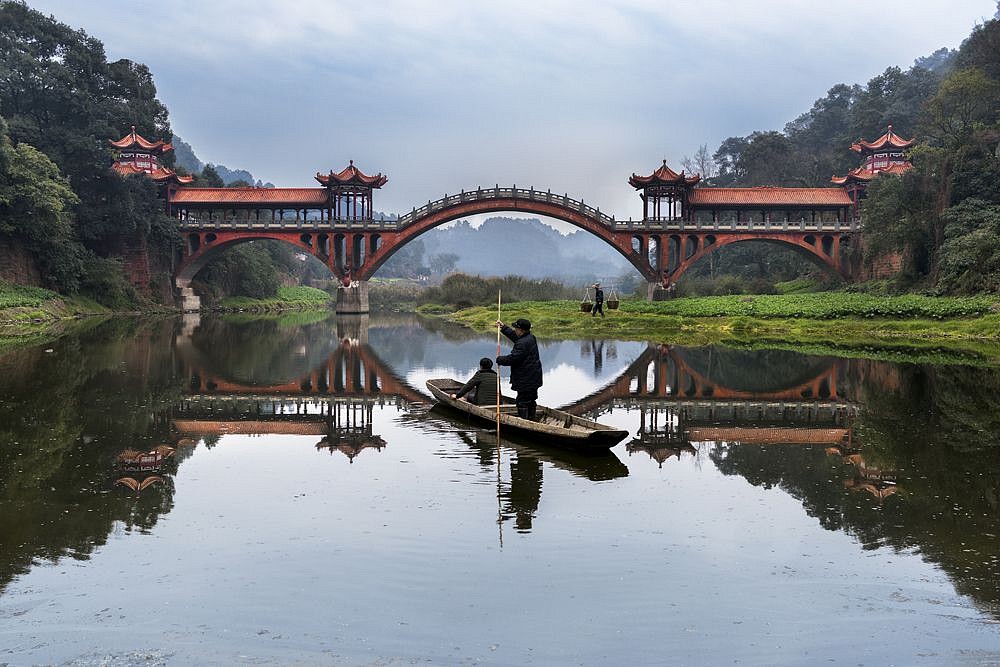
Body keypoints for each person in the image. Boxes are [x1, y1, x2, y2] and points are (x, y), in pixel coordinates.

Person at [495, 317, 543, 420]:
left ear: (521, 330)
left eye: (516, 328)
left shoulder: (522, 343)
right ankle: (531, 420)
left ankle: (525, 423)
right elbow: (516, 337)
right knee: (531, 399)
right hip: (534, 377)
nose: (515, 330)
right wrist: (503, 328)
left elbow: (513, 359)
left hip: (525, 379)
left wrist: (500, 360)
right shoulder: (530, 337)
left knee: (522, 401)